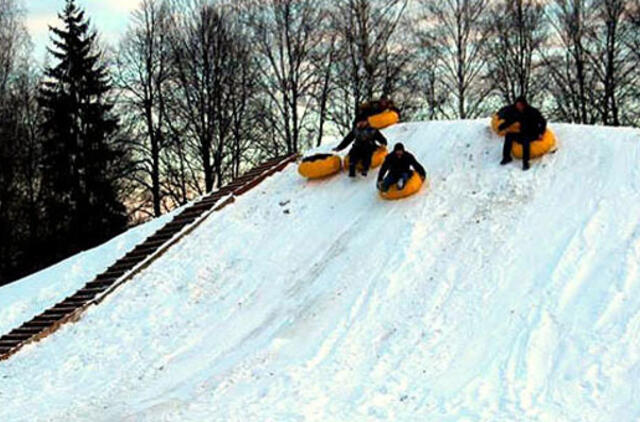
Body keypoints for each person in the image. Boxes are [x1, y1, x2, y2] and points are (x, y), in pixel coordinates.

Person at [498, 96, 547, 171]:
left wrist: (541, 133)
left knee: (525, 140)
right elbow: (511, 120)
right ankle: (506, 157)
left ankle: (525, 162)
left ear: (523, 104)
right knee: (509, 135)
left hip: (533, 134)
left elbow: (543, 122)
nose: (518, 106)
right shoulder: (518, 113)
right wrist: (501, 127)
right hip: (523, 133)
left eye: (519, 105)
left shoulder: (533, 111)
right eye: (517, 105)